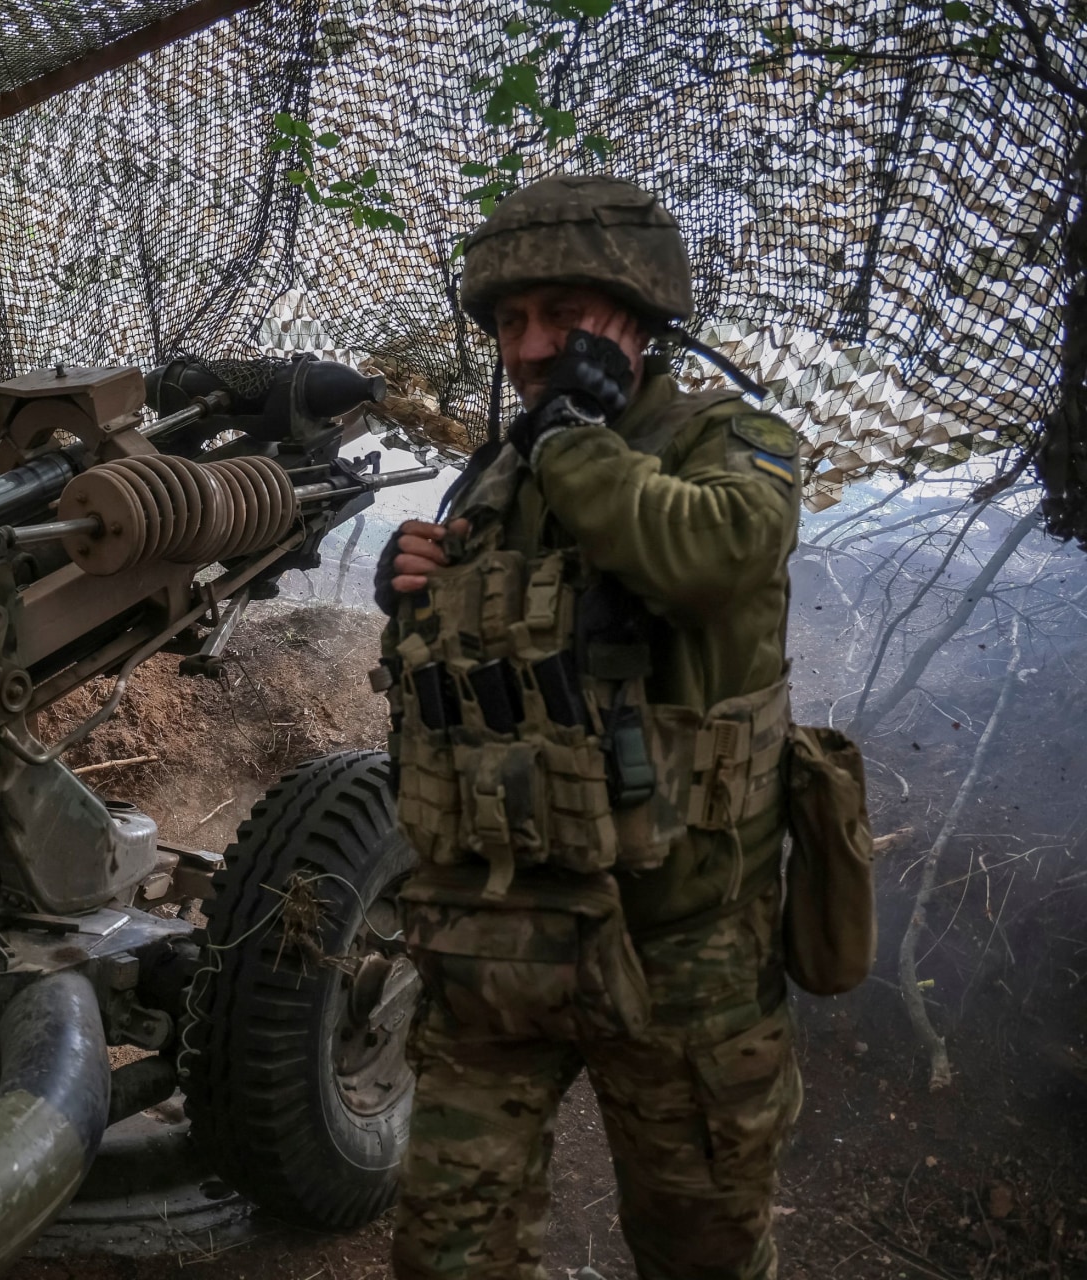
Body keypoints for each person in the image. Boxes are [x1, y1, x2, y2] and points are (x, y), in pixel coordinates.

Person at [376, 174, 804, 1278]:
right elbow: (467, 681)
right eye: (511, 321)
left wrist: (571, 434)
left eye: (561, 316)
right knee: (447, 1253)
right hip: (499, 929)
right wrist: (415, 587)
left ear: (637, 319)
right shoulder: (499, 473)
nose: (528, 347)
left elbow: (707, 555)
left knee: (701, 1250)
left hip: (680, 951)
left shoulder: (731, 440)